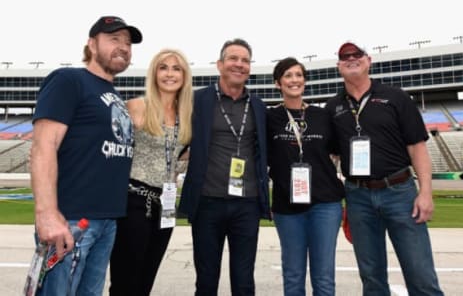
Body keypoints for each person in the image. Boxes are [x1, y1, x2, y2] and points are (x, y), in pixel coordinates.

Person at [30, 15, 142, 295]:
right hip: (71, 220)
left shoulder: (113, 94)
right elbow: (43, 146)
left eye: (127, 43)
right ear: (92, 44)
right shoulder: (69, 80)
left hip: (107, 221)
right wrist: (46, 214)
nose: (123, 47)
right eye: (114, 39)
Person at [325, 41, 444, 295]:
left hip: (399, 191)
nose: (351, 58)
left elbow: (417, 147)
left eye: (357, 54)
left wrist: (425, 193)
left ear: (369, 61)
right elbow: (331, 153)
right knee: (371, 277)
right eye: (345, 56)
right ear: (338, 66)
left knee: (420, 274)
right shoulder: (333, 107)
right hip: (358, 196)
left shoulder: (396, 97)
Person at [178, 38, 270, 296]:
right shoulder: (198, 100)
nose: (239, 65)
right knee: (206, 281)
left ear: (250, 68)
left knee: (244, 282)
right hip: (208, 201)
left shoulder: (258, 106)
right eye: (233, 59)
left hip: (247, 204)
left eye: (245, 60)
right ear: (219, 64)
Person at [109, 48, 193, 296]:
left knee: (146, 282)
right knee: (126, 283)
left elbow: (179, 159)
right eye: (163, 67)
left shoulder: (188, 116)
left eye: (176, 68)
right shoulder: (136, 106)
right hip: (134, 203)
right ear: (154, 73)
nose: (170, 74)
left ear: (185, 75)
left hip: (165, 206)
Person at [267, 57, 345, 296]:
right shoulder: (269, 118)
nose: (294, 80)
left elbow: (336, 151)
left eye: (299, 75)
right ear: (278, 83)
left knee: (323, 277)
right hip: (286, 206)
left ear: (305, 81)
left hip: (325, 203)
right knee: (292, 275)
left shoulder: (322, 116)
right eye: (288, 75)